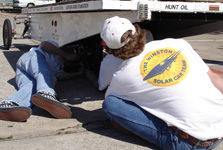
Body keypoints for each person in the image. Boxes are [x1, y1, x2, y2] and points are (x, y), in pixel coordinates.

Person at [86, 16, 223, 150]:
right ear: (136, 31)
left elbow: (106, 95)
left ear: (108, 48)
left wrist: (89, 75)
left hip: (190, 143)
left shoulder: (121, 77)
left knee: (111, 105)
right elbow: (214, 78)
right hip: (220, 127)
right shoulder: (177, 44)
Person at [0, 40, 82, 122]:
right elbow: (43, 45)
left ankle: (9, 104)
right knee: (44, 73)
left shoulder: (59, 68)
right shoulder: (57, 47)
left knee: (30, 87)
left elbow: (58, 76)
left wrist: (79, 73)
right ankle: (46, 92)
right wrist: (66, 55)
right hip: (32, 57)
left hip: (23, 71)